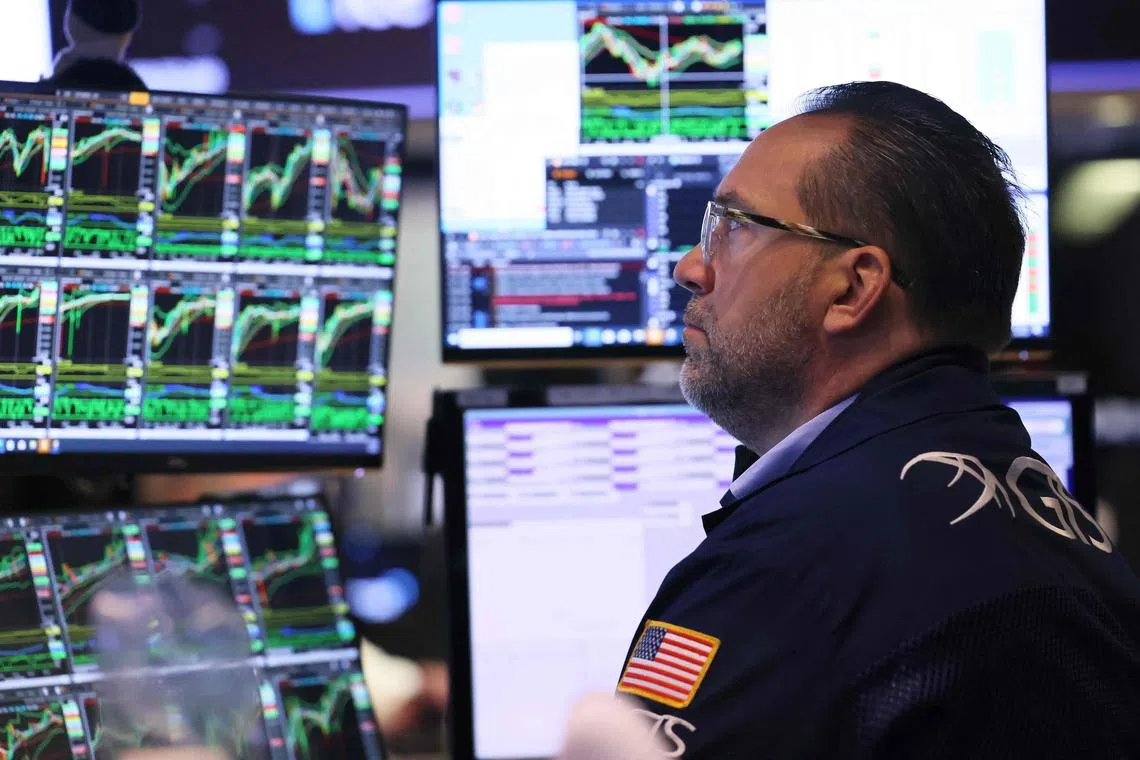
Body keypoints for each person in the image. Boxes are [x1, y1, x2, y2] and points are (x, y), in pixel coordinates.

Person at [612, 81, 1140, 758]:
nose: (691, 267)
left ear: (855, 287)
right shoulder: (1060, 526)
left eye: (734, 228)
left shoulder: (788, 567)